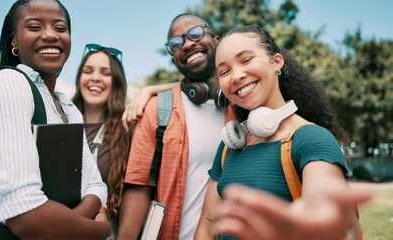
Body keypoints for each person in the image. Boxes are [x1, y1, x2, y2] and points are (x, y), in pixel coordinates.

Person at [194, 25, 372, 240]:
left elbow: (323, 206)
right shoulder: (230, 145)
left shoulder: (312, 139)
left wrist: (319, 221)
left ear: (276, 61)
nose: (236, 76)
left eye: (246, 60)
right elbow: (206, 227)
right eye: (224, 71)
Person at [0, 0, 110, 239]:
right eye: (34, 26)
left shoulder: (68, 107)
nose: (50, 35)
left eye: (60, 28)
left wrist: (65, 226)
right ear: (14, 41)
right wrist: (100, 229)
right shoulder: (10, 83)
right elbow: (25, 215)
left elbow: (96, 186)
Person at [118, 13, 234, 240]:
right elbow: (139, 185)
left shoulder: (244, 106)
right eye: (176, 43)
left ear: (217, 40)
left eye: (196, 33)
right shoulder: (156, 109)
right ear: (174, 59)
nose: (189, 43)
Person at [72, 43, 179, 238]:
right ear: (80, 78)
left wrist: (149, 90)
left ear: (117, 82)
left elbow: (183, 87)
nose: (95, 77)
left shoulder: (126, 127)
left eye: (106, 73)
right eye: (88, 71)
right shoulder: (60, 120)